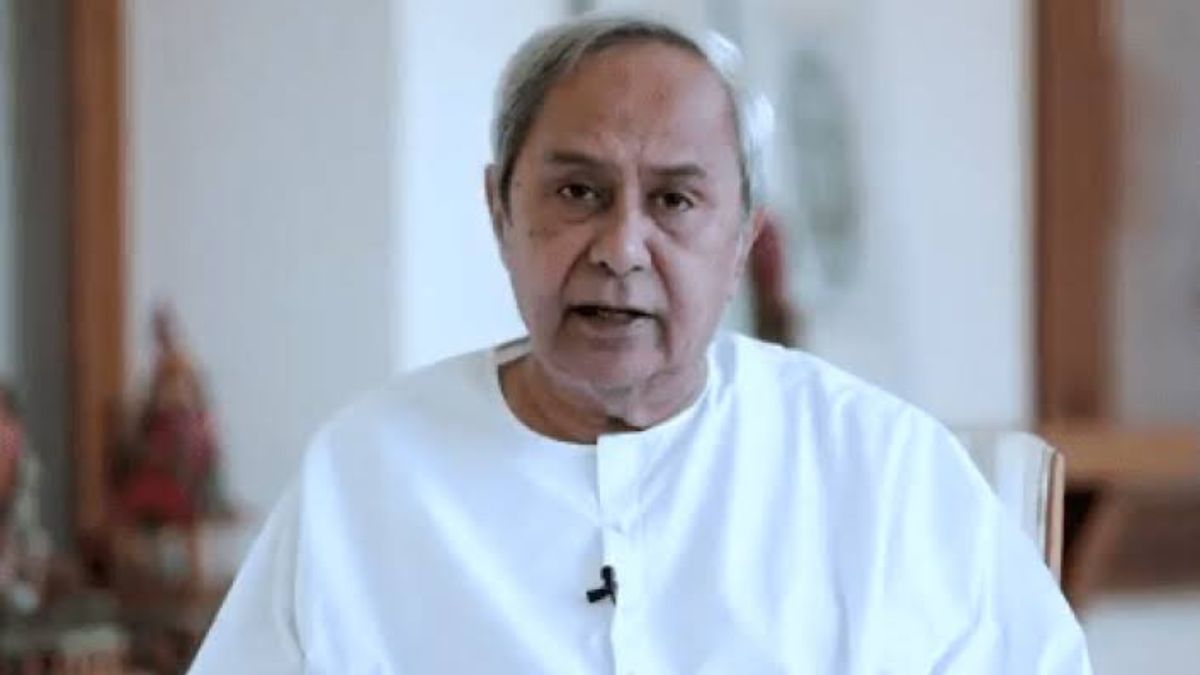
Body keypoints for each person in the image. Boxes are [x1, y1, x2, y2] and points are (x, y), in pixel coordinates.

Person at [190, 14, 1091, 674]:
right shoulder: (366, 474)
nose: (621, 248)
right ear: (500, 210)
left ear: (741, 241)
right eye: (578, 193)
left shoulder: (882, 468)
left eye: (674, 201)